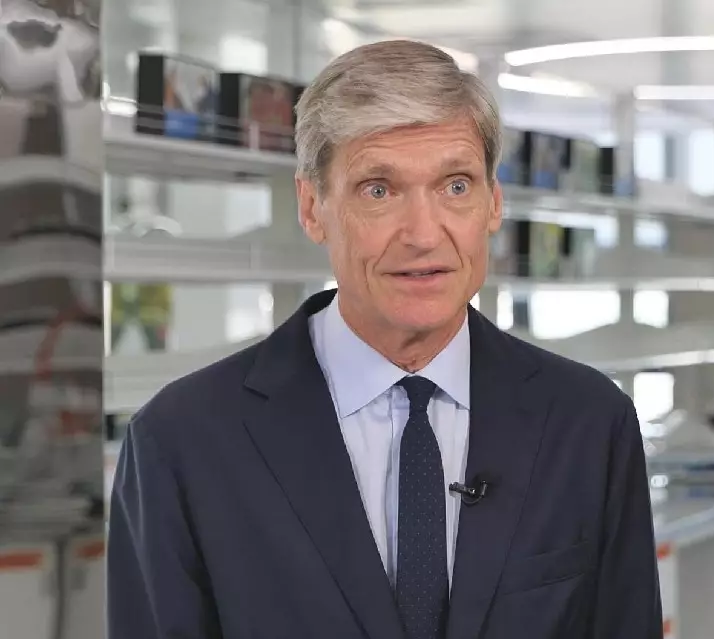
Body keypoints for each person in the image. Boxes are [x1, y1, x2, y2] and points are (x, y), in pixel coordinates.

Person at [107, 39, 662, 639]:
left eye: (455, 186)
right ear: (312, 208)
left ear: (494, 203)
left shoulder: (589, 423)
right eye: (379, 189)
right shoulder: (181, 441)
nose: (423, 235)